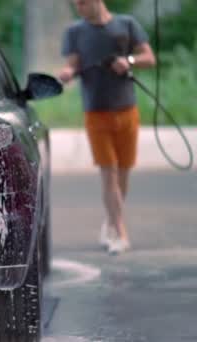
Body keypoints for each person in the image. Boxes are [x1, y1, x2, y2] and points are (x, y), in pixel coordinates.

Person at [58, 0, 156, 254]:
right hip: (96, 113)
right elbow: (72, 63)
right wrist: (67, 72)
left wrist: (129, 61)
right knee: (108, 173)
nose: (78, 7)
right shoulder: (75, 32)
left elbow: (149, 58)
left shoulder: (126, 24)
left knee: (123, 174)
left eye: (82, 2)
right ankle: (119, 231)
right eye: (75, 4)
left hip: (127, 111)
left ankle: (110, 222)